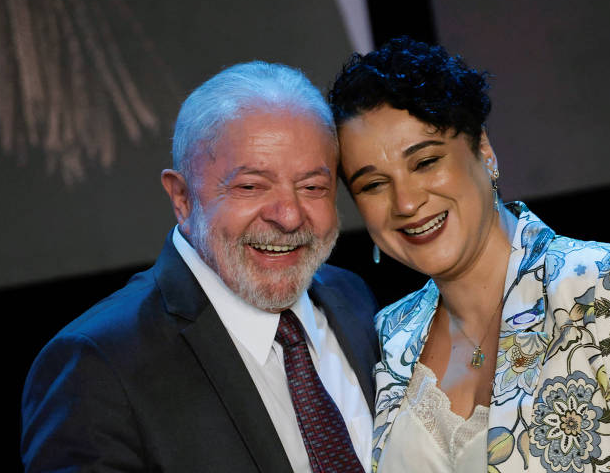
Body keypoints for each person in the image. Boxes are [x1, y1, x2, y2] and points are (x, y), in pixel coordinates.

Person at [327, 36, 610, 472]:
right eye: (373, 185)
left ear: (483, 151)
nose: (406, 203)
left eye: (425, 162)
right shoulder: (389, 335)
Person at [21, 61, 379, 472]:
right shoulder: (97, 365)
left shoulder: (353, 299)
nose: (289, 216)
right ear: (182, 198)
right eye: (250, 186)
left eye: (313, 188)